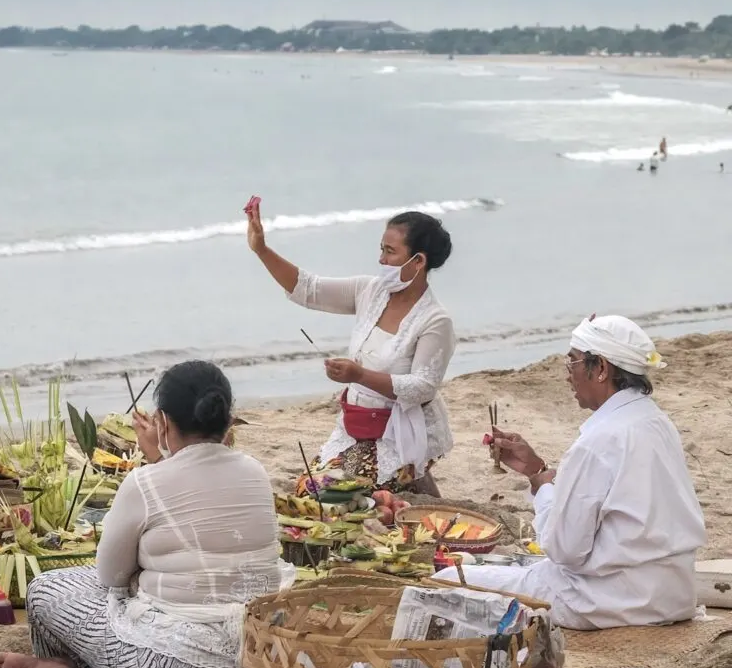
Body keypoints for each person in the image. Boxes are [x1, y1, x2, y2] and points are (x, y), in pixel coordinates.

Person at [0, 360, 294, 668]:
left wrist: (140, 576)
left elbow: (110, 576)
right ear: (227, 418)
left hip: (179, 667)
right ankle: (74, 665)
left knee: (45, 589)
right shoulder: (256, 472)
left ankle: (68, 663)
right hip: (258, 654)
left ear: (162, 422)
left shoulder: (145, 482)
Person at [435, 315, 706, 630]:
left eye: (573, 364)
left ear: (601, 368)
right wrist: (538, 473)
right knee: (518, 571)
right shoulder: (658, 423)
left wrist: (544, 487)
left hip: (612, 602)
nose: (568, 376)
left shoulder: (597, 442)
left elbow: (565, 551)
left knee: (448, 579)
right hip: (673, 595)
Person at [246, 200, 455, 497]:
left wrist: (358, 375)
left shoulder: (435, 320)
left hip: (399, 432)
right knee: (309, 489)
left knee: (330, 497)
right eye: (381, 248)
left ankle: (412, 472)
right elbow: (308, 289)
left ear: (418, 261)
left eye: (390, 252)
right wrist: (262, 250)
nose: (381, 260)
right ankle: (414, 482)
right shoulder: (370, 291)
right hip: (355, 425)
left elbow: (423, 388)